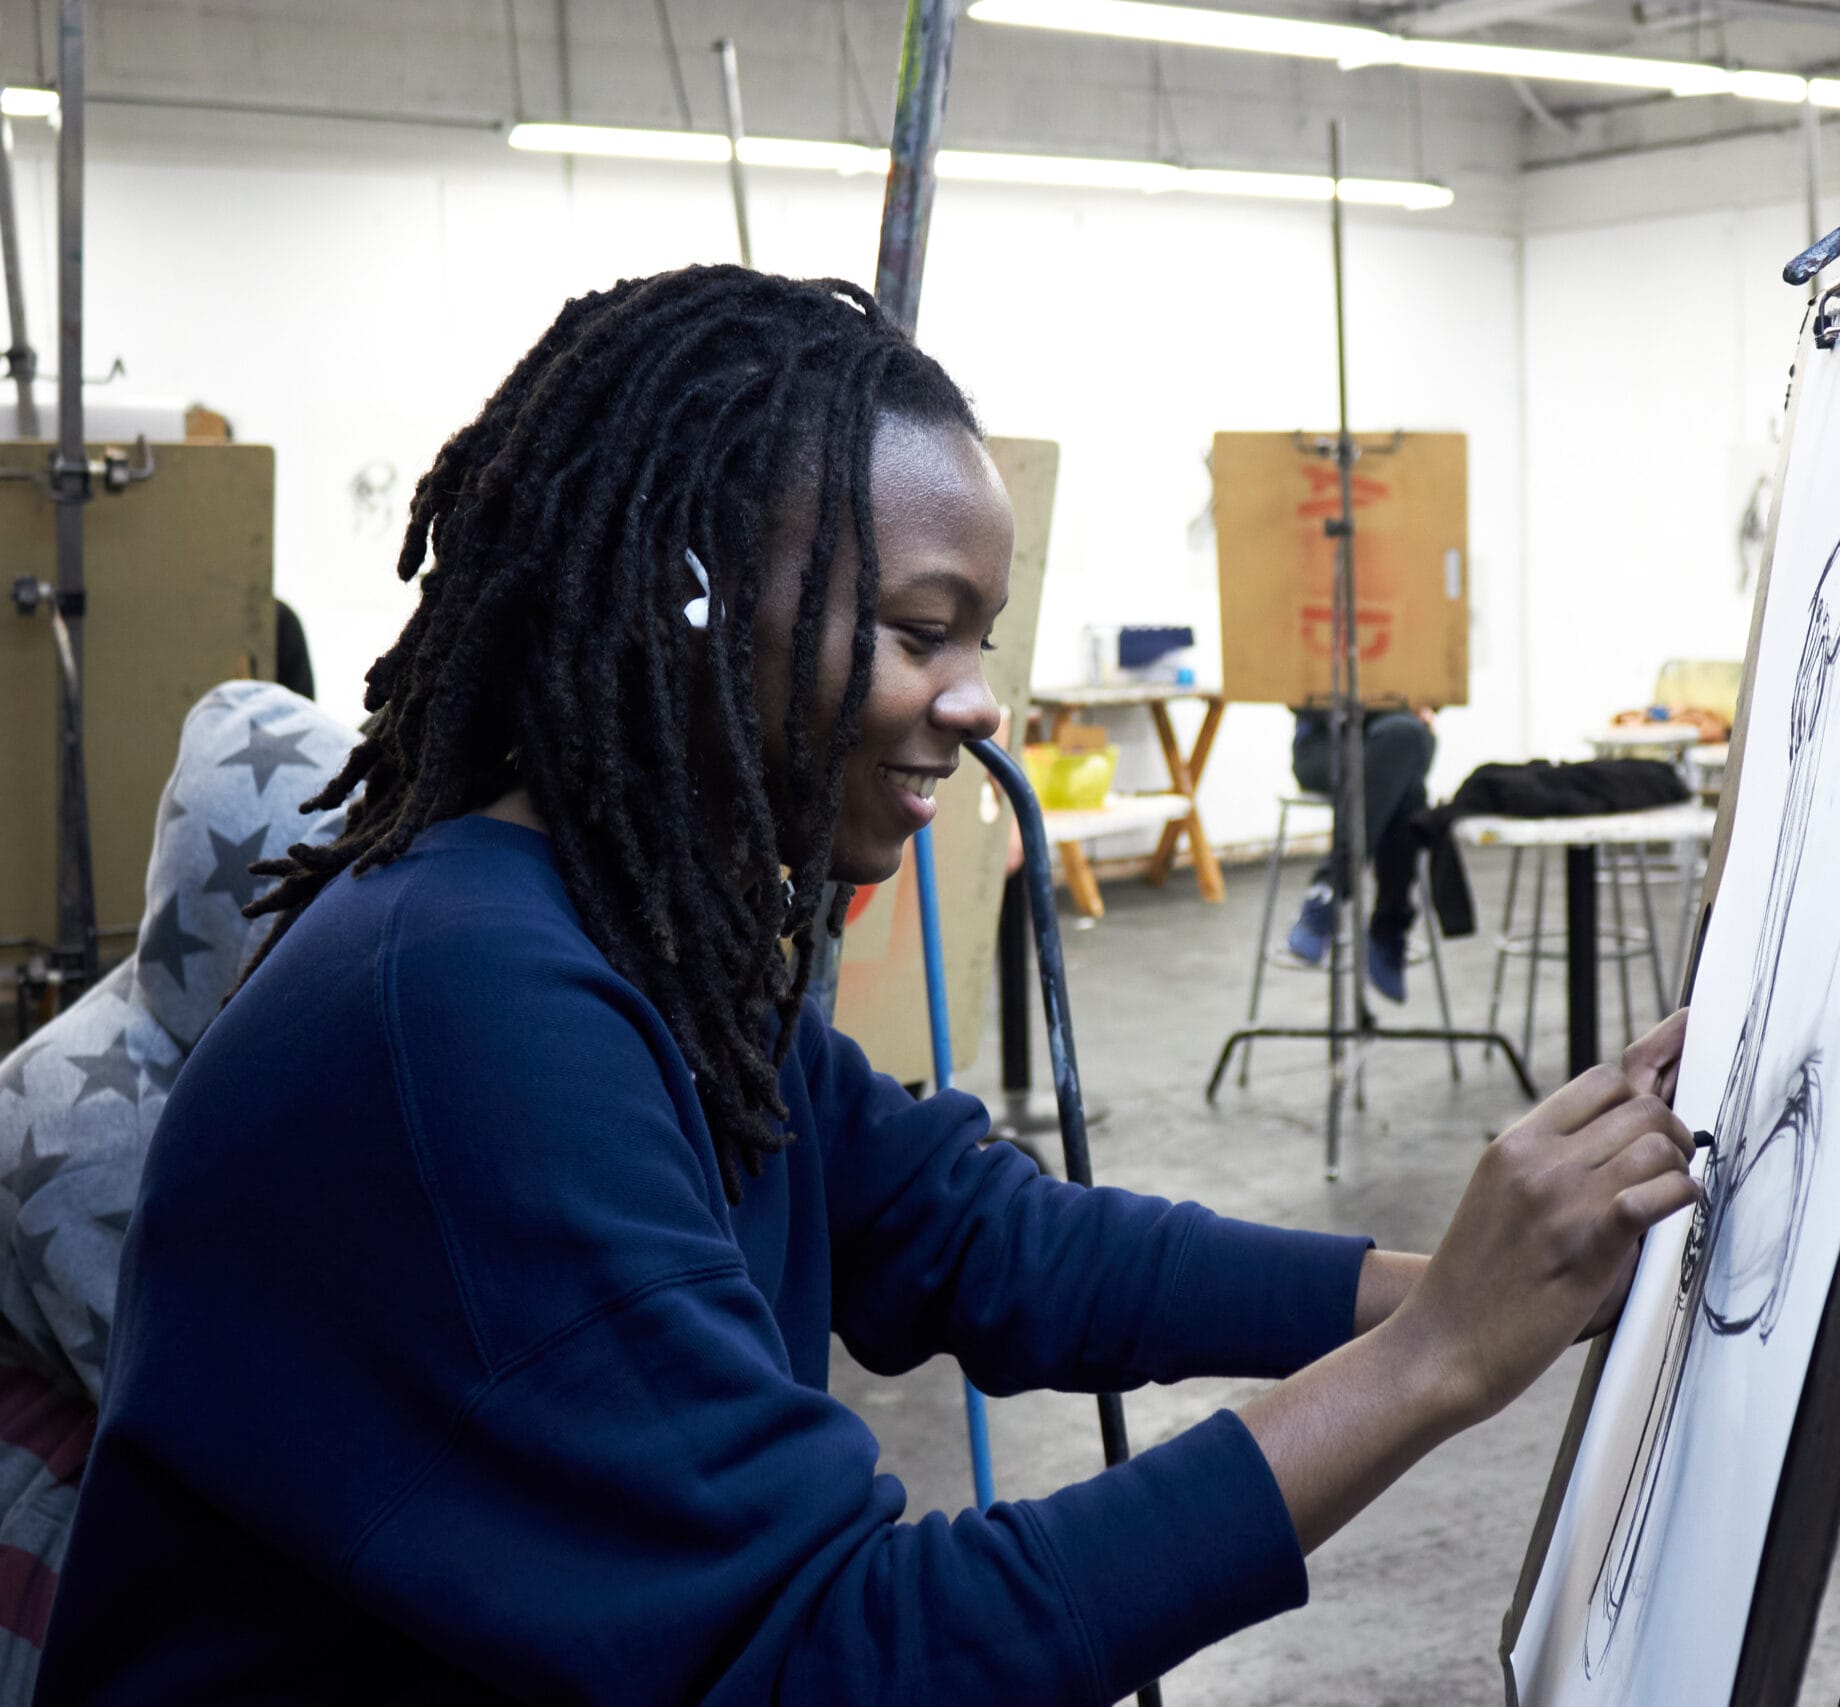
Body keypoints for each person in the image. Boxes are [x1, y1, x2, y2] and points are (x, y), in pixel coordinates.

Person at [36, 267, 1702, 1704]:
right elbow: (832, 1656)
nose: (976, 702)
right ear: (687, 606)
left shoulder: (643, 943)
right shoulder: (471, 1009)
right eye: (923, 632)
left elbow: (992, 1242)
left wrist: (1461, 1279)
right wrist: (1434, 1365)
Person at [1285, 705, 1434, 1002]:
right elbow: (1295, 690)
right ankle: (1391, 924)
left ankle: (1328, 889)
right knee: (1406, 781)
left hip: (1400, 731)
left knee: (1401, 739)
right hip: (1328, 742)